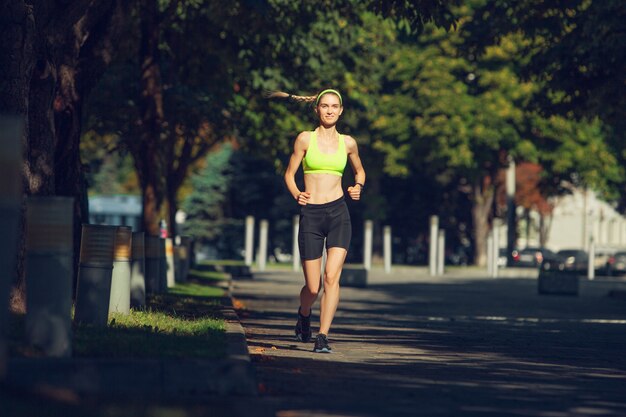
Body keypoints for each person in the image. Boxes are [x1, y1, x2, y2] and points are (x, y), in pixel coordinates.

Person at [273, 88, 366, 353]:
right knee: (312, 287)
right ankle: (304, 314)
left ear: (341, 110)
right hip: (311, 214)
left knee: (331, 277)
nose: (329, 110)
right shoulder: (304, 139)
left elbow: (360, 171)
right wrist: (296, 194)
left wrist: (358, 186)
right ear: (317, 109)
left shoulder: (348, 143)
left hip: (338, 212)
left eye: (334, 106)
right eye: (324, 106)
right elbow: (289, 174)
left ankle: (322, 336)